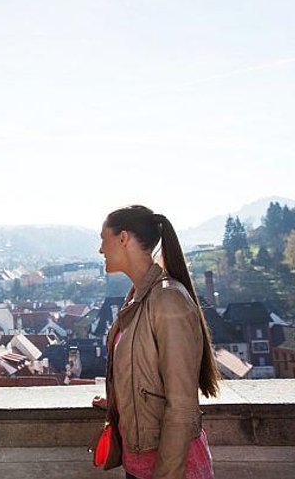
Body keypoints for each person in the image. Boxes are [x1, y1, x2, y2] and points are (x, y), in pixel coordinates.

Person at [93, 205, 220, 479]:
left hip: (171, 469)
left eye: (103, 239)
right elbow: (146, 369)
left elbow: (183, 407)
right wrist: (124, 397)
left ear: (123, 238)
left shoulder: (167, 299)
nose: (100, 249)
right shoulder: (138, 296)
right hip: (138, 463)